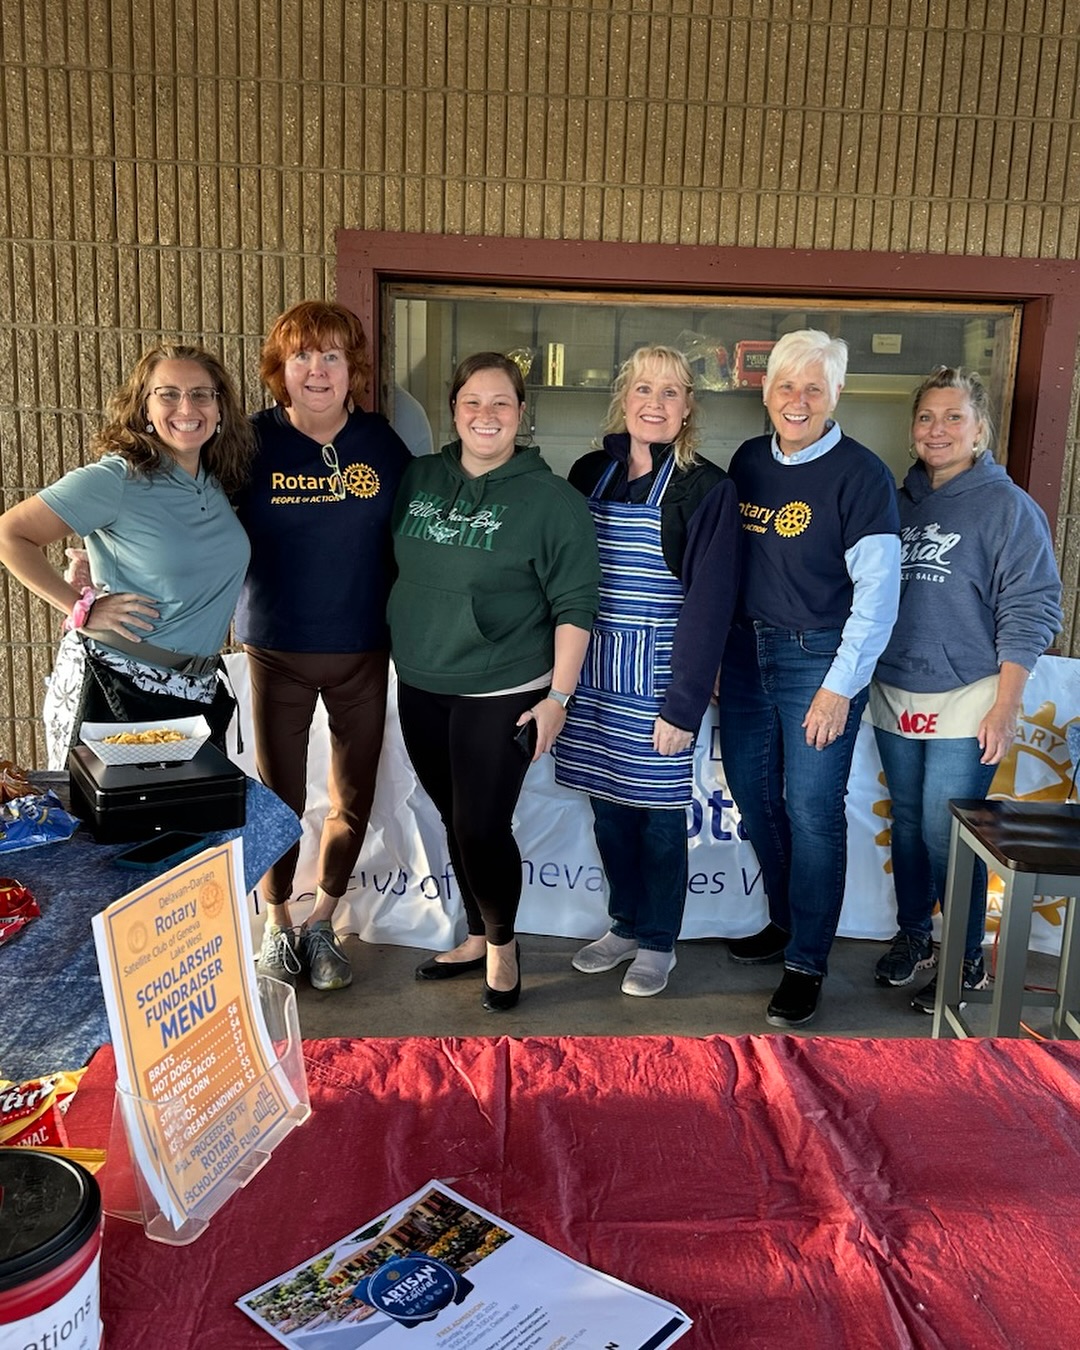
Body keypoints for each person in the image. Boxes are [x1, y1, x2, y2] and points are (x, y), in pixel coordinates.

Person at [389, 352, 600, 1011]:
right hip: (422, 679)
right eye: (472, 402)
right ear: (453, 410)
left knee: (482, 825)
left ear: (521, 413)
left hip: (503, 685)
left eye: (501, 402)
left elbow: (576, 606)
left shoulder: (552, 501)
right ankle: (477, 935)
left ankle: (503, 946)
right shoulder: (419, 478)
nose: (486, 415)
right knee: (454, 816)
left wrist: (558, 698)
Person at [717, 329, 901, 1028]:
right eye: (786, 386)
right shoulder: (747, 461)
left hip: (818, 658)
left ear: (836, 394)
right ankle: (786, 920)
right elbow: (728, 568)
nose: (798, 401)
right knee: (753, 795)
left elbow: (878, 598)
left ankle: (807, 962)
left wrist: (838, 687)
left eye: (813, 388)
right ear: (766, 391)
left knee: (813, 811)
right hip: (745, 654)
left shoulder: (862, 476)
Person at [869, 366, 1062, 1011]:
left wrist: (1006, 705)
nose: (938, 429)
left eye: (954, 417)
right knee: (906, 824)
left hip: (970, 692)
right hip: (896, 687)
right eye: (927, 417)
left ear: (980, 431)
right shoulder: (896, 503)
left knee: (945, 831)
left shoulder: (1009, 508)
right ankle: (915, 936)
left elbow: (1031, 609)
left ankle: (966, 958)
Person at [233, 301, 411, 993]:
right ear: (280, 368)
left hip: (362, 648)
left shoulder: (381, 443)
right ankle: (277, 922)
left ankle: (323, 922)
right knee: (276, 795)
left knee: (352, 794)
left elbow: (424, 525)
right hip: (276, 647)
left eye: (331, 355)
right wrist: (102, 564)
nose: (317, 370)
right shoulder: (249, 443)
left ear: (351, 368)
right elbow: (187, 514)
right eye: (302, 355)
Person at [552, 345, 741, 996]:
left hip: (661, 678)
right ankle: (625, 925)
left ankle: (659, 942)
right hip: (592, 673)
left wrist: (682, 705)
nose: (654, 403)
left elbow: (711, 604)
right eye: (643, 389)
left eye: (670, 392)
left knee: (659, 819)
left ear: (688, 407)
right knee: (609, 812)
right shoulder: (589, 473)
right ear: (623, 398)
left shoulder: (706, 488)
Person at [0, 344, 253, 769]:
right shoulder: (117, 478)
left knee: (193, 814)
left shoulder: (215, 481)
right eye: (168, 394)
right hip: (116, 688)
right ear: (144, 408)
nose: (186, 407)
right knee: (114, 814)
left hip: (197, 692)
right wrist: (80, 606)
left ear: (220, 408)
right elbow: (10, 534)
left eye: (201, 394)